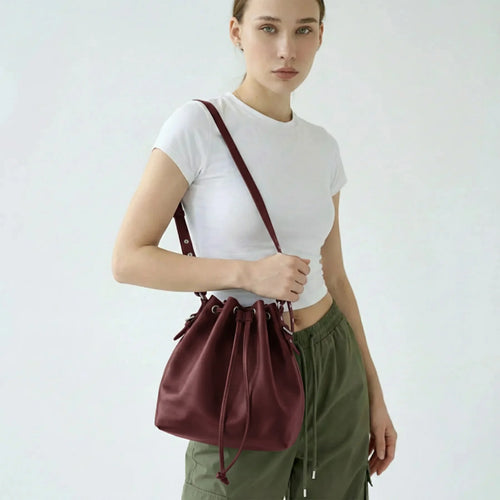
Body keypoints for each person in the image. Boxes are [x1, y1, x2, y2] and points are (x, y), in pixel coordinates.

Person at [112, 0, 397, 498]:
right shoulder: (198, 126)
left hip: (333, 359)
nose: (287, 49)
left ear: (320, 36)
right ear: (236, 32)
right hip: (244, 364)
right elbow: (128, 259)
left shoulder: (322, 147)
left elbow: (336, 277)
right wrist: (246, 274)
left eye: (303, 30)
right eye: (268, 28)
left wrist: (374, 392)